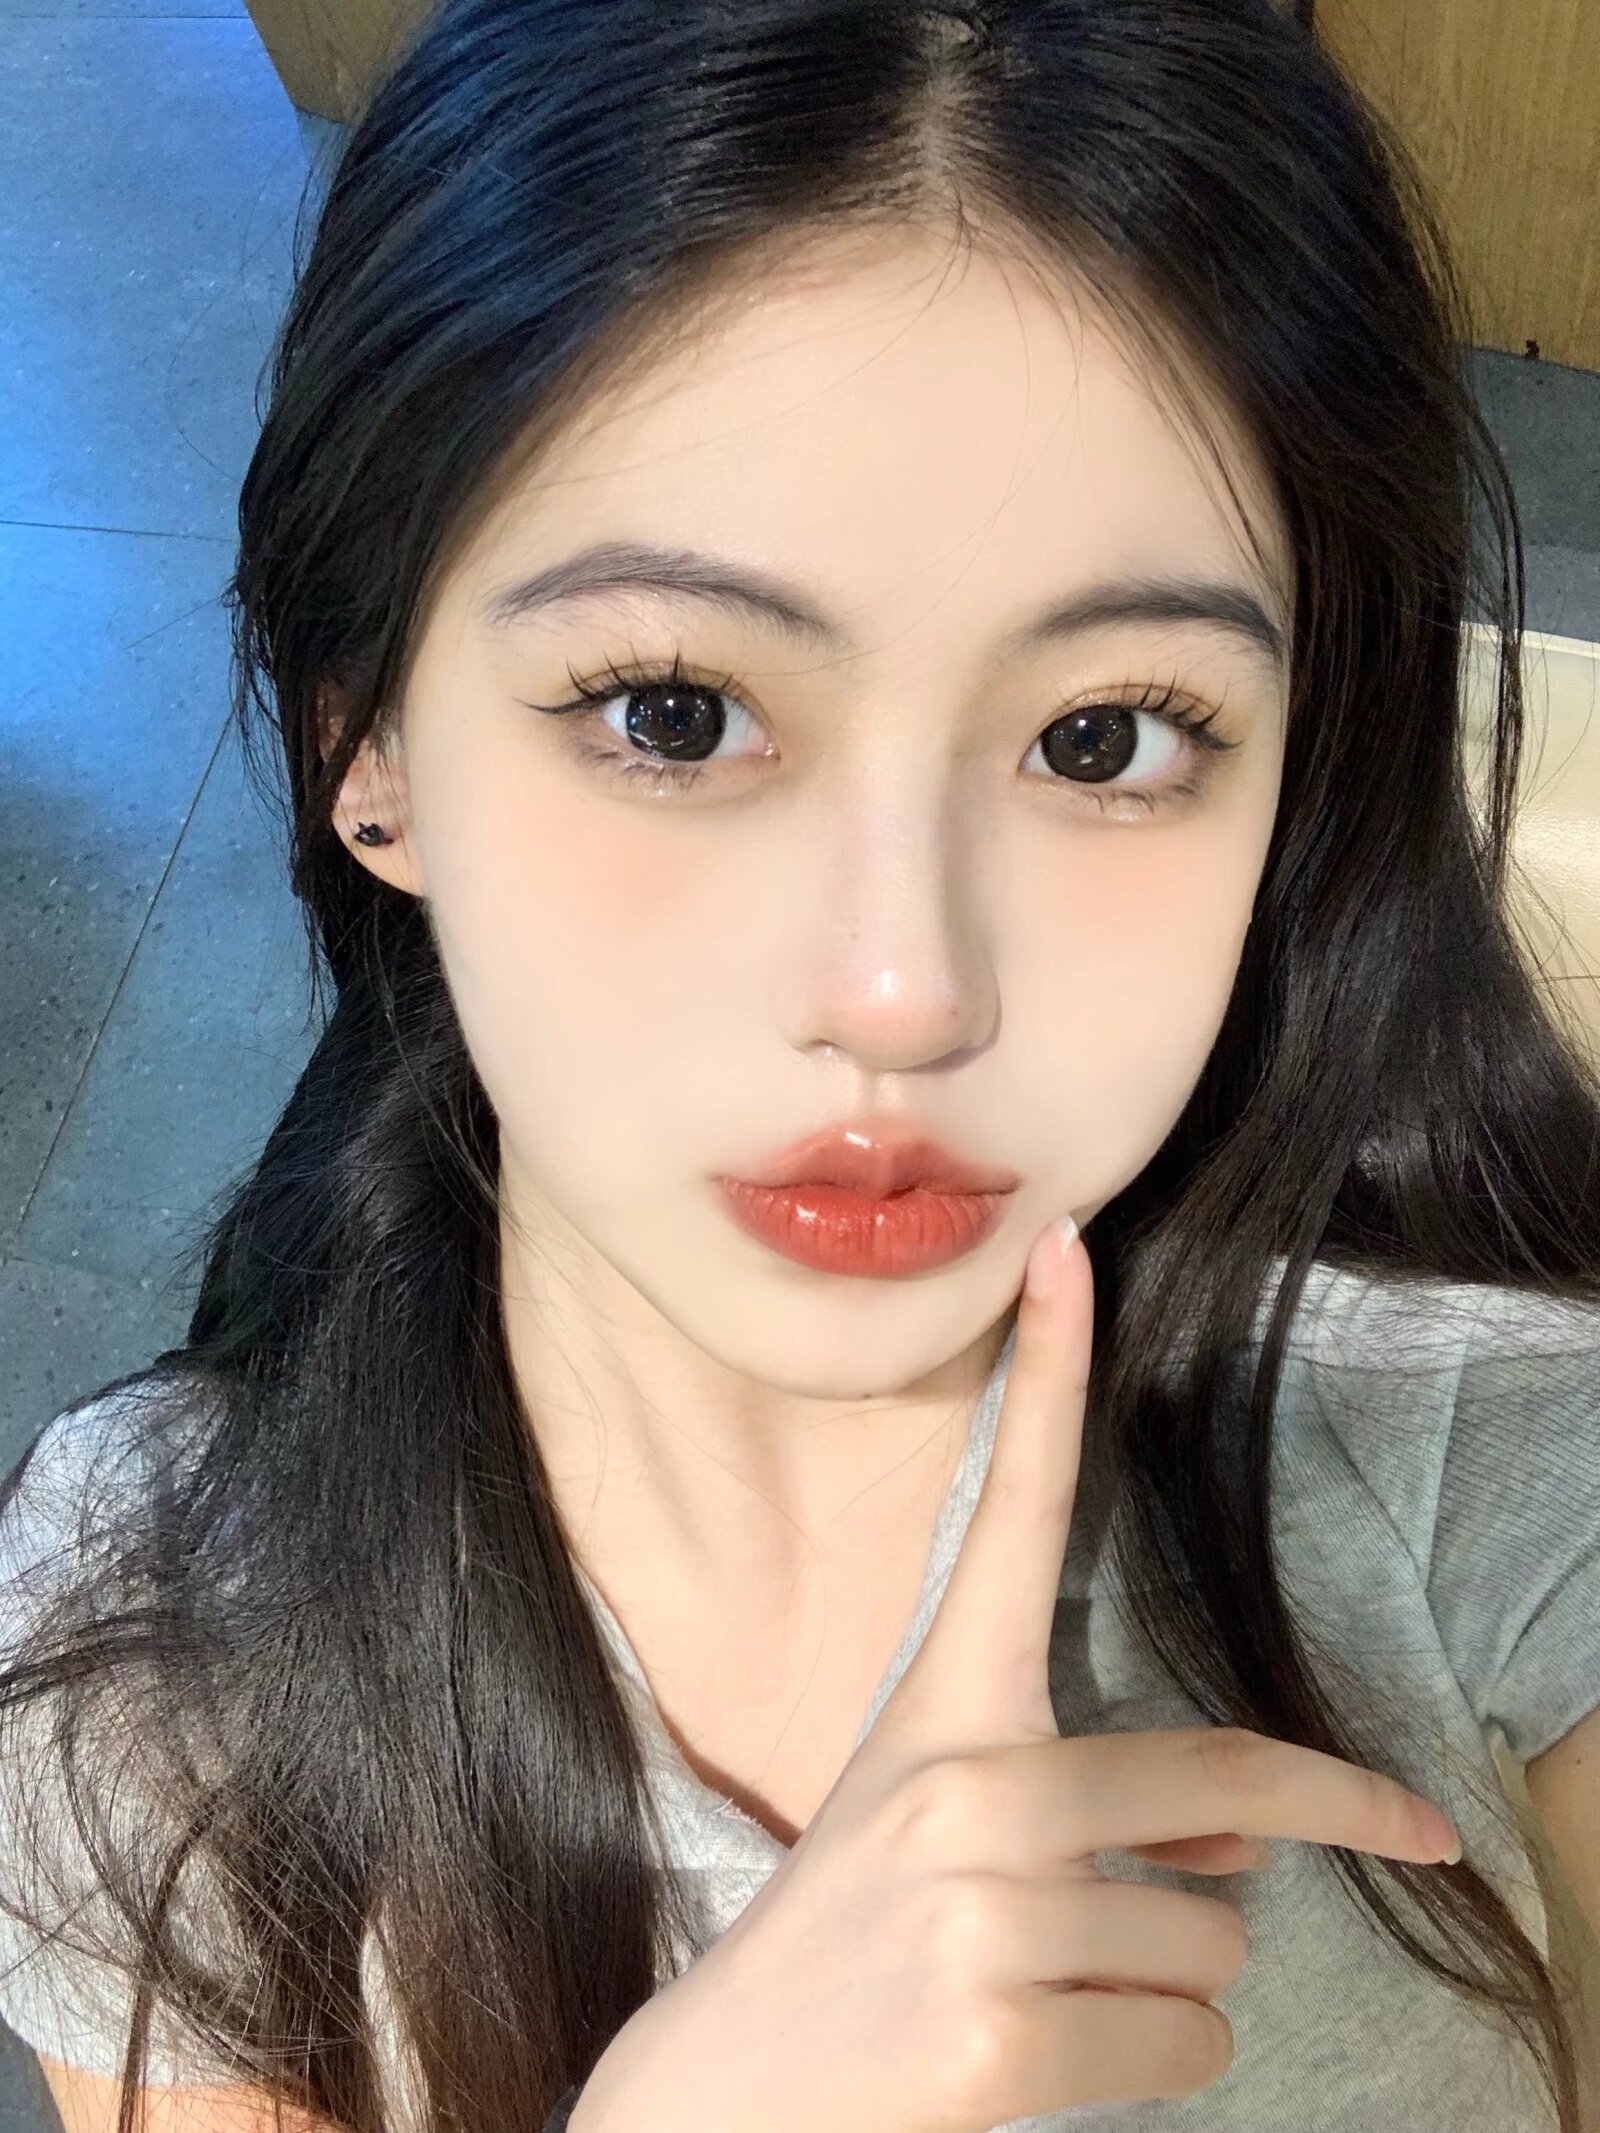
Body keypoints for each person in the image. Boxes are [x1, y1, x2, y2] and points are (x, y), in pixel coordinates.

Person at [2, 0, 1598, 2129]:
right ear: (364, 746)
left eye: (1102, 737)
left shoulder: (1481, 1436)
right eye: (673, 713)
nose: (904, 988)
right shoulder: (153, 1649)